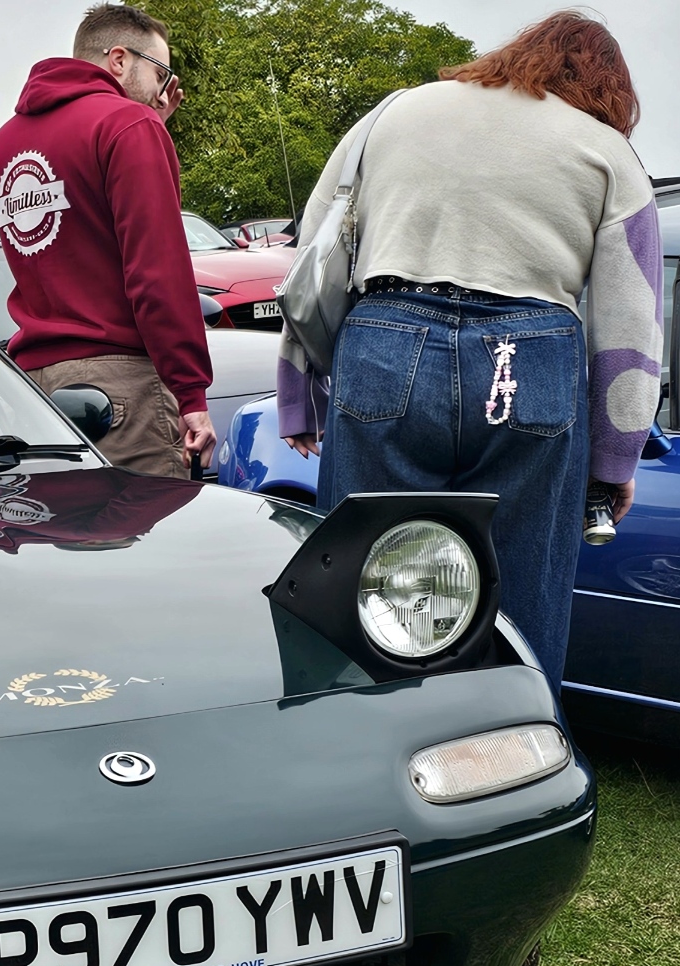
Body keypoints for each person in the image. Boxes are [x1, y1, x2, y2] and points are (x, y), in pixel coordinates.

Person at [277, 12, 661, 687]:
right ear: (605, 86)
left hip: (385, 343)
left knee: (364, 579)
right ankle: (511, 753)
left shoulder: (392, 115)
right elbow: (631, 318)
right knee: (521, 598)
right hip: (531, 360)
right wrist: (614, 456)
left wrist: (297, 388)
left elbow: (316, 249)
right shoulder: (605, 150)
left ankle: (354, 745)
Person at [0, 4, 214, 479]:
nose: (162, 90)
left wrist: (151, 130)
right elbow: (157, 275)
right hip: (121, 388)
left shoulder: (0, 148)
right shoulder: (127, 127)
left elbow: (74, 243)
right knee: (147, 543)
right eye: (161, 72)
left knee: (65, 545)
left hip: (34, 392)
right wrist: (190, 393)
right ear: (119, 59)